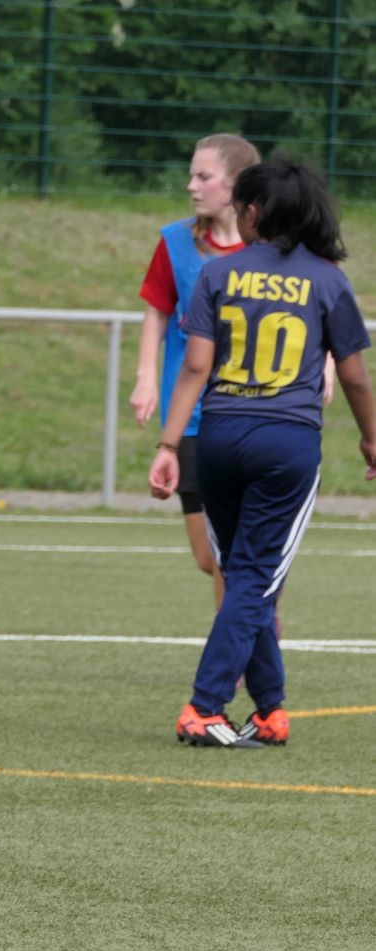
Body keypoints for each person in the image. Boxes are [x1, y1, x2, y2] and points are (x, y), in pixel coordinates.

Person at [149, 154, 376, 748]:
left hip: (218, 437)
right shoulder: (327, 279)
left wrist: (169, 444)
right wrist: (371, 438)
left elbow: (196, 367)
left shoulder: (218, 274)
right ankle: (205, 705)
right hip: (285, 443)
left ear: (253, 211)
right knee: (254, 575)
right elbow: (354, 377)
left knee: (246, 572)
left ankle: (271, 708)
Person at [130, 134, 262, 610]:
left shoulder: (273, 248)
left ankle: (242, 637)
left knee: (233, 551)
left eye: (203, 176)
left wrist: (325, 363)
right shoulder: (176, 242)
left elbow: (317, 300)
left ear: (237, 183)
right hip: (190, 415)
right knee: (210, 556)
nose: (191, 186)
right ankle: (254, 618)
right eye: (192, 175)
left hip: (251, 413)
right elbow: (157, 310)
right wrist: (146, 377)